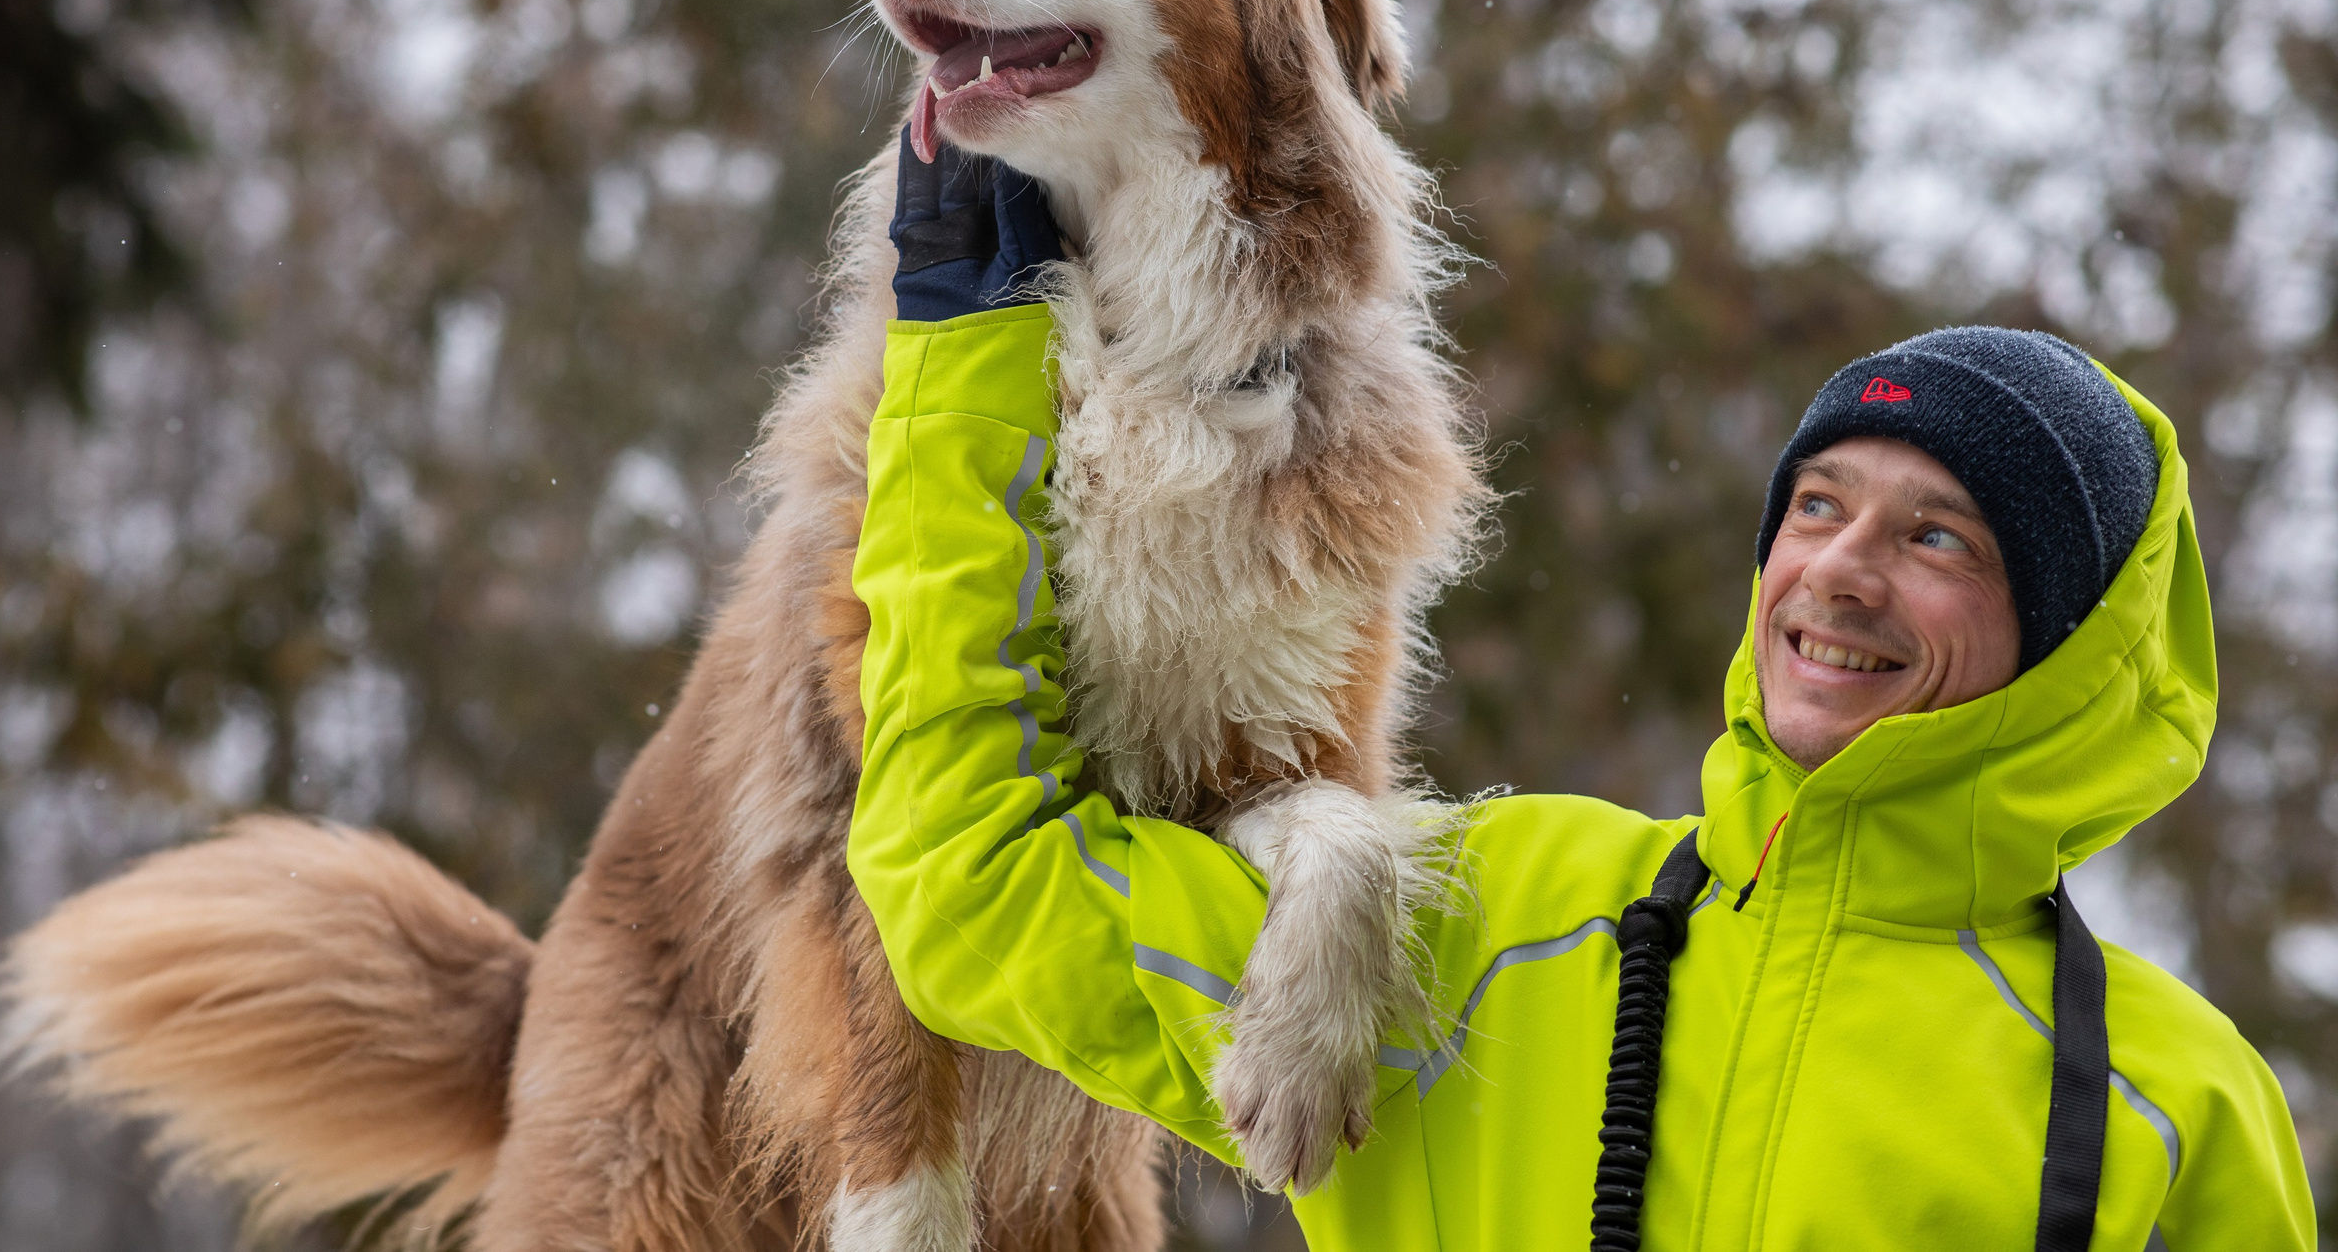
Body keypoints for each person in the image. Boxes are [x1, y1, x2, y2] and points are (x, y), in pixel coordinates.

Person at [845, 141, 2314, 1250]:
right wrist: (968, 366)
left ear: (2058, 645)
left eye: (1938, 537)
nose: (1841, 574)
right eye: (1816, 507)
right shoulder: (1478, 931)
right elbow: (968, 878)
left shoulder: (2170, 1104)